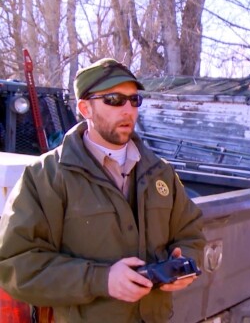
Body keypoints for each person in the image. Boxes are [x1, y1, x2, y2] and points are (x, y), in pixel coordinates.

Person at [0, 58, 205, 322]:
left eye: (134, 100)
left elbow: (191, 234)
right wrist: (101, 279)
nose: (128, 109)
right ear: (85, 108)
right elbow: (16, 265)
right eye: (114, 100)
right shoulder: (47, 177)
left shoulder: (159, 173)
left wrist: (184, 262)